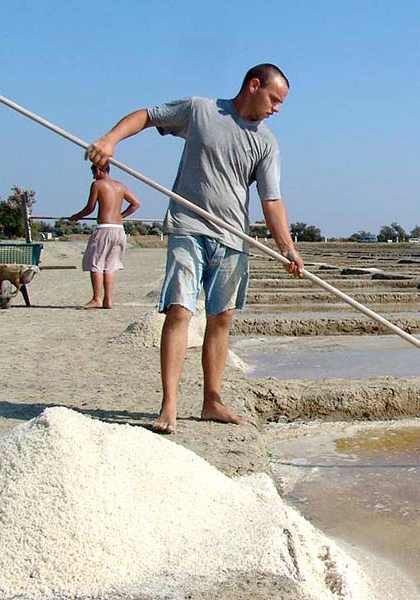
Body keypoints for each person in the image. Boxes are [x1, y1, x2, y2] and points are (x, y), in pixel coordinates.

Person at [85, 64, 305, 434]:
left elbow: (272, 200)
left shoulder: (266, 142)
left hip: (234, 238)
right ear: (254, 86)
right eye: (274, 99)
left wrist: (287, 247)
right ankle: (169, 404)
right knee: (179, 312)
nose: (276, 109)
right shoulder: (200, 111)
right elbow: (147, 116)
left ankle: (211, 401)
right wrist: (110, 140)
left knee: (221, 320)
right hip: (189, 227)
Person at [69, 163, 140, 309]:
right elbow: (135, 203)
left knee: (96, 264)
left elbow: (90, 208)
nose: (93, 176)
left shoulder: (97, 184)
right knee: (110, 266)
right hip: (119, 230)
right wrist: (121, 216)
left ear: (99, 170)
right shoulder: (120, 186)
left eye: (94, 172)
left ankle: (97, 299)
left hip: (104, 228)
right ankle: (108, 300)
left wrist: (77, 216)